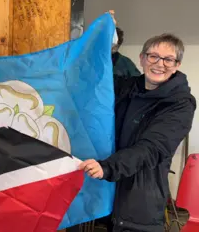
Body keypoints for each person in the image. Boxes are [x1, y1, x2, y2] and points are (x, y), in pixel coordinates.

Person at [79, 33, 196, 232]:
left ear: (177, 65)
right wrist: (107, 39)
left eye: (168, 59)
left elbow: (152, 148)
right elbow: (96, 76)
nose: (160, 64)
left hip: (139, 204)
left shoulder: (180, 103)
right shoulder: (127, 88)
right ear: (142, 59)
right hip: (107, 193)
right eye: (153, 56)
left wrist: (108, 167)